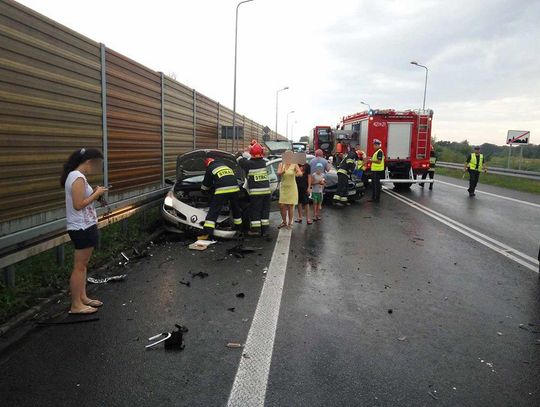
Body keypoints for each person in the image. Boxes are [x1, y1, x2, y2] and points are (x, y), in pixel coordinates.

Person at [60, 148, 108, 315]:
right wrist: (97, 194)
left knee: (83, 265)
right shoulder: (77, 177)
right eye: (97, 164)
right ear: (89, 162)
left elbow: (81, 201)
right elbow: (78, 204)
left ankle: (83, 298)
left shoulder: (77, 177)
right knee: (79, 267)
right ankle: (76, 305)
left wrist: (95, 193)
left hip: (85, 225)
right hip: (81, 227)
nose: (96, 168)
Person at [199, 157, 242, 239]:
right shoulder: (225, 166)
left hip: (222, 190)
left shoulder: (210, 168)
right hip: (235, 189)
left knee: (214, 210)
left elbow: (206, 184)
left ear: (207, 164)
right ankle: (239, 228)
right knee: (235, 208)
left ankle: (207, 233)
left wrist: (203, 191)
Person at [237, 143, 271, 237]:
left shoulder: (249, 164)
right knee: (265, 211)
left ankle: (255, 230)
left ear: (251, 153)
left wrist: (241, 153)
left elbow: (240, 160)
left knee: (255, 211)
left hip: (256, 193)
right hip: (267, 192)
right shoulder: (263, 162)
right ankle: (265, 231)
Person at [277, 154, 302, 229]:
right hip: (284, 187)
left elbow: (300, 173)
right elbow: (278, 173)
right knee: (282, 205)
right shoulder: (281, 164)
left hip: (292, 187)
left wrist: (298, 173)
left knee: (291, 205)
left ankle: (290, 222)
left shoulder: (294, 164)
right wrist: (282, 172)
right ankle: (284, 221)